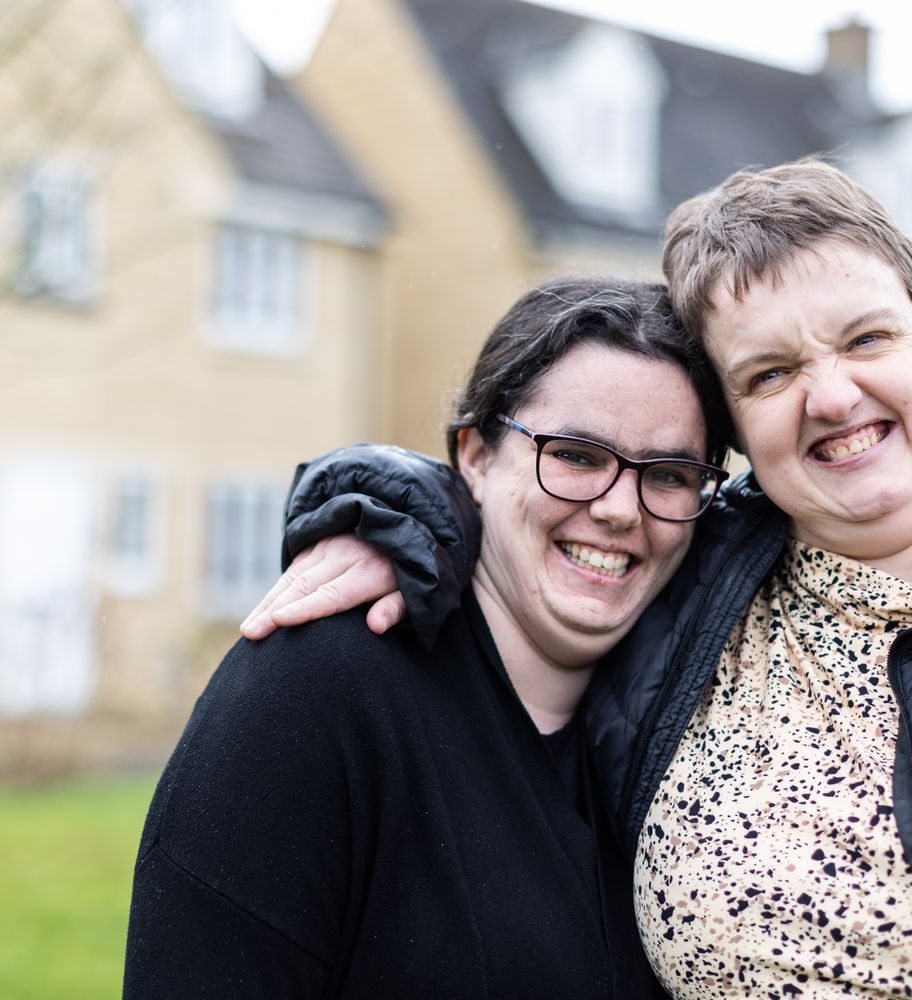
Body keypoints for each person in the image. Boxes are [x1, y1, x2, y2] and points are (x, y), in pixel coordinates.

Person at [238, 161, 912, 999]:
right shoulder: (688, 593)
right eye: (771, 374)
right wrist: (395, 520)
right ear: (734, 430)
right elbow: (556, 506)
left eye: (867, 339)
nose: (832, 397)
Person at [123, 276, 736, 998]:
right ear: (475, 456)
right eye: (574, 455)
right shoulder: (316, 692)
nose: (618, 509)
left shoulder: (698, 728)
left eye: (667, 474)